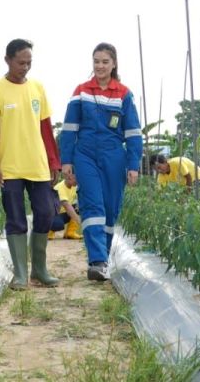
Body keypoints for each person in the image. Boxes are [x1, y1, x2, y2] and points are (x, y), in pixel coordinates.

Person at [0, 39, 61, 290]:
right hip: (10, 167)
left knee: (46, 212)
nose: (25, 67)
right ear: (8, 60)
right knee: (15, 218)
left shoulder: (37, 88)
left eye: (29, 62)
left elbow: (46, 128)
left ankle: (39, 269)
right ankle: (21, 274)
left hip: (37, 165)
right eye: (20, 62)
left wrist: (54, 161)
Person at [59, 43, 142, 282]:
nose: (100, 66)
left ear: (114, 63)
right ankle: (96, 260)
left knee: (110, 207)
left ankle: (103, 258)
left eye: (105, 61)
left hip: (114, 155)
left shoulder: (124, 94)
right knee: (93, 205)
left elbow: (133, 132)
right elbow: (69, 128)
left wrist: (133, 164)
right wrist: (67, 161)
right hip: (84, 154)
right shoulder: (82, 91)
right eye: (96, 61)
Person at [48, 170, 82, 240]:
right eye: (77, 179)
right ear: (70, 177)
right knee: (58, 224)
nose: (78, 181)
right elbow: (67, 206)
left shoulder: (74, 186)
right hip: (51, 215)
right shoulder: (60, 188)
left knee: (80, 206)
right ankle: (48, 232)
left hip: (61, 213)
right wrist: (79, 221)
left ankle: (70, 232)